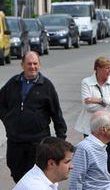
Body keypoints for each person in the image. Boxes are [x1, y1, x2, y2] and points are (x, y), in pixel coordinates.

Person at [0, 51, 67, 183]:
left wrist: (61, 140)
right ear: (22, 65)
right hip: (15, 141)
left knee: (37, 176)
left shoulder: (46, 86)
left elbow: (56, 114)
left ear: (39, 65)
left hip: (38, 141)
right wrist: (8, 119)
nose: (32, 67)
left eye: (35, 63)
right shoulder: (13, 83)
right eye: (29, 64)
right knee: (17, 173)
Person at [75, 56, 110, 137]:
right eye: (107, 68)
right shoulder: (86, 82)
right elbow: (88, 107)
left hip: (109, 126)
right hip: (90, 128)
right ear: (98, 69)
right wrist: (107, 104)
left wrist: (99, 100)